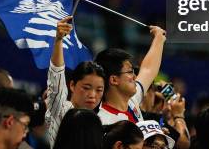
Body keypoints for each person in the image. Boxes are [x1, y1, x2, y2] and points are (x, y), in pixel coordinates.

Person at [45, 16, 105, 147]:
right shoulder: (61, 109)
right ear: (72, 85)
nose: (92, 95)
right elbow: (56, 76)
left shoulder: (102, 119)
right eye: (86, 87)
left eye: (99, 90)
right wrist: (59, 40)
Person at [95, 26, 166, 125]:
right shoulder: (103, 121)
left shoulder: (132, 101)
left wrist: (159, 38)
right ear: (114, 80)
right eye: (129, 72)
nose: (135, 77)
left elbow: (148, 70)